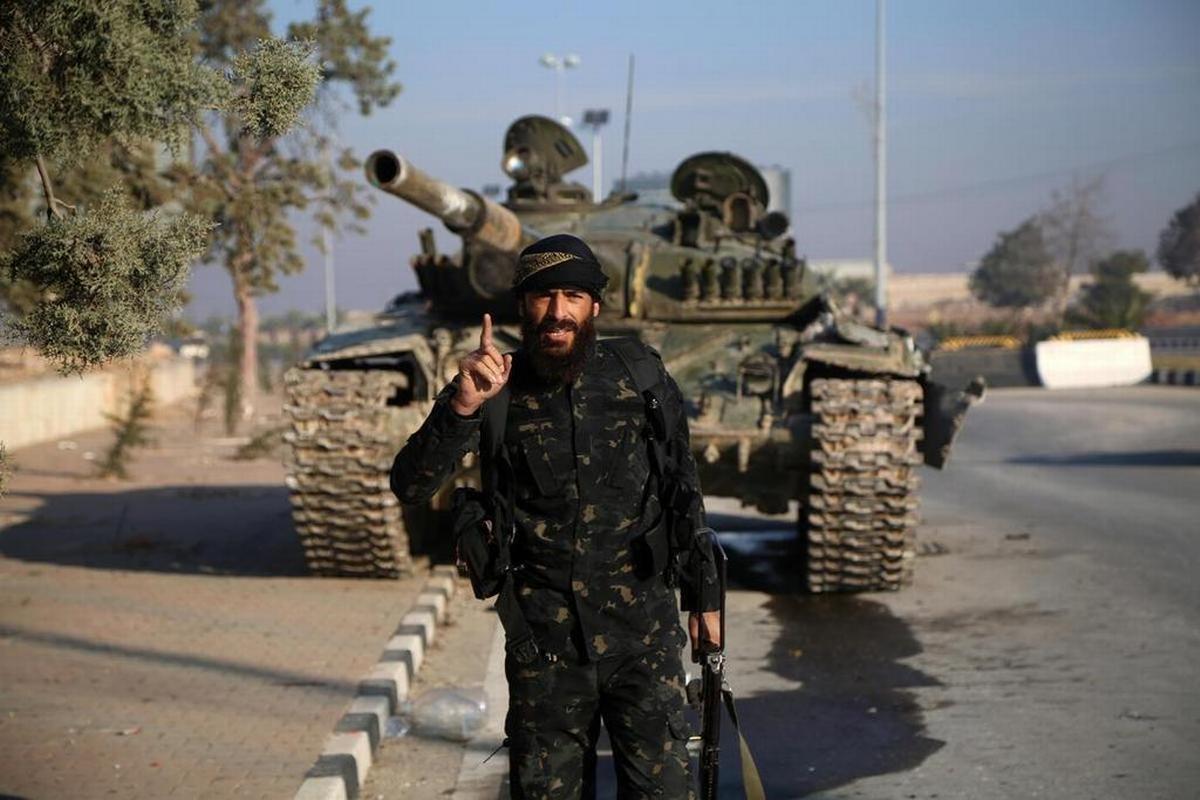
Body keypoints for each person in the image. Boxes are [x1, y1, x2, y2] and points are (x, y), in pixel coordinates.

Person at [390, 233, 720, 799]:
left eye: (572, 296)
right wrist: (464, 404)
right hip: (545, 647)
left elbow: (681, 487)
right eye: (543, 297)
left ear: (595, 305)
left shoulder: (639, 376)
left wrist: (705, 600)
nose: (557, 312)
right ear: (523, 305)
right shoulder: (495, 385)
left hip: (644, 637)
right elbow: (412, 485)